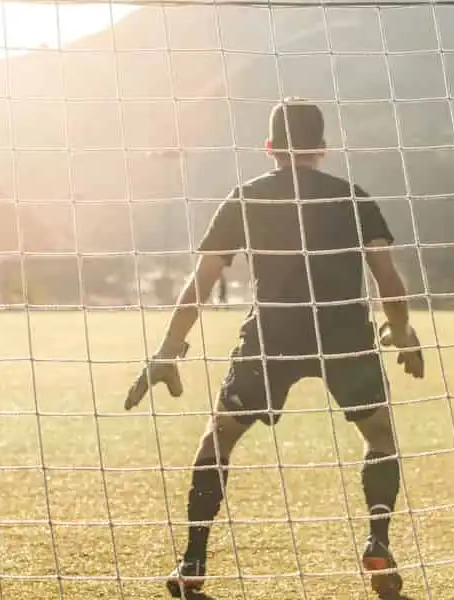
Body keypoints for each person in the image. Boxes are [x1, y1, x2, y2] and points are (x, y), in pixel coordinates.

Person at [123, 98, 425, 599]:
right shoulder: (353, 198)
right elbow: (388, 279)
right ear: (322, 149)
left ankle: (194, 561)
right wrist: (403, 330)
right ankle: (378, 541)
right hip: (344, 333)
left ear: (269, 148)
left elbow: (200, 281)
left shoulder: (246, 198)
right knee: (379, 437)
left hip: (272, 336)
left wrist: (169, 348)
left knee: (219, 440)